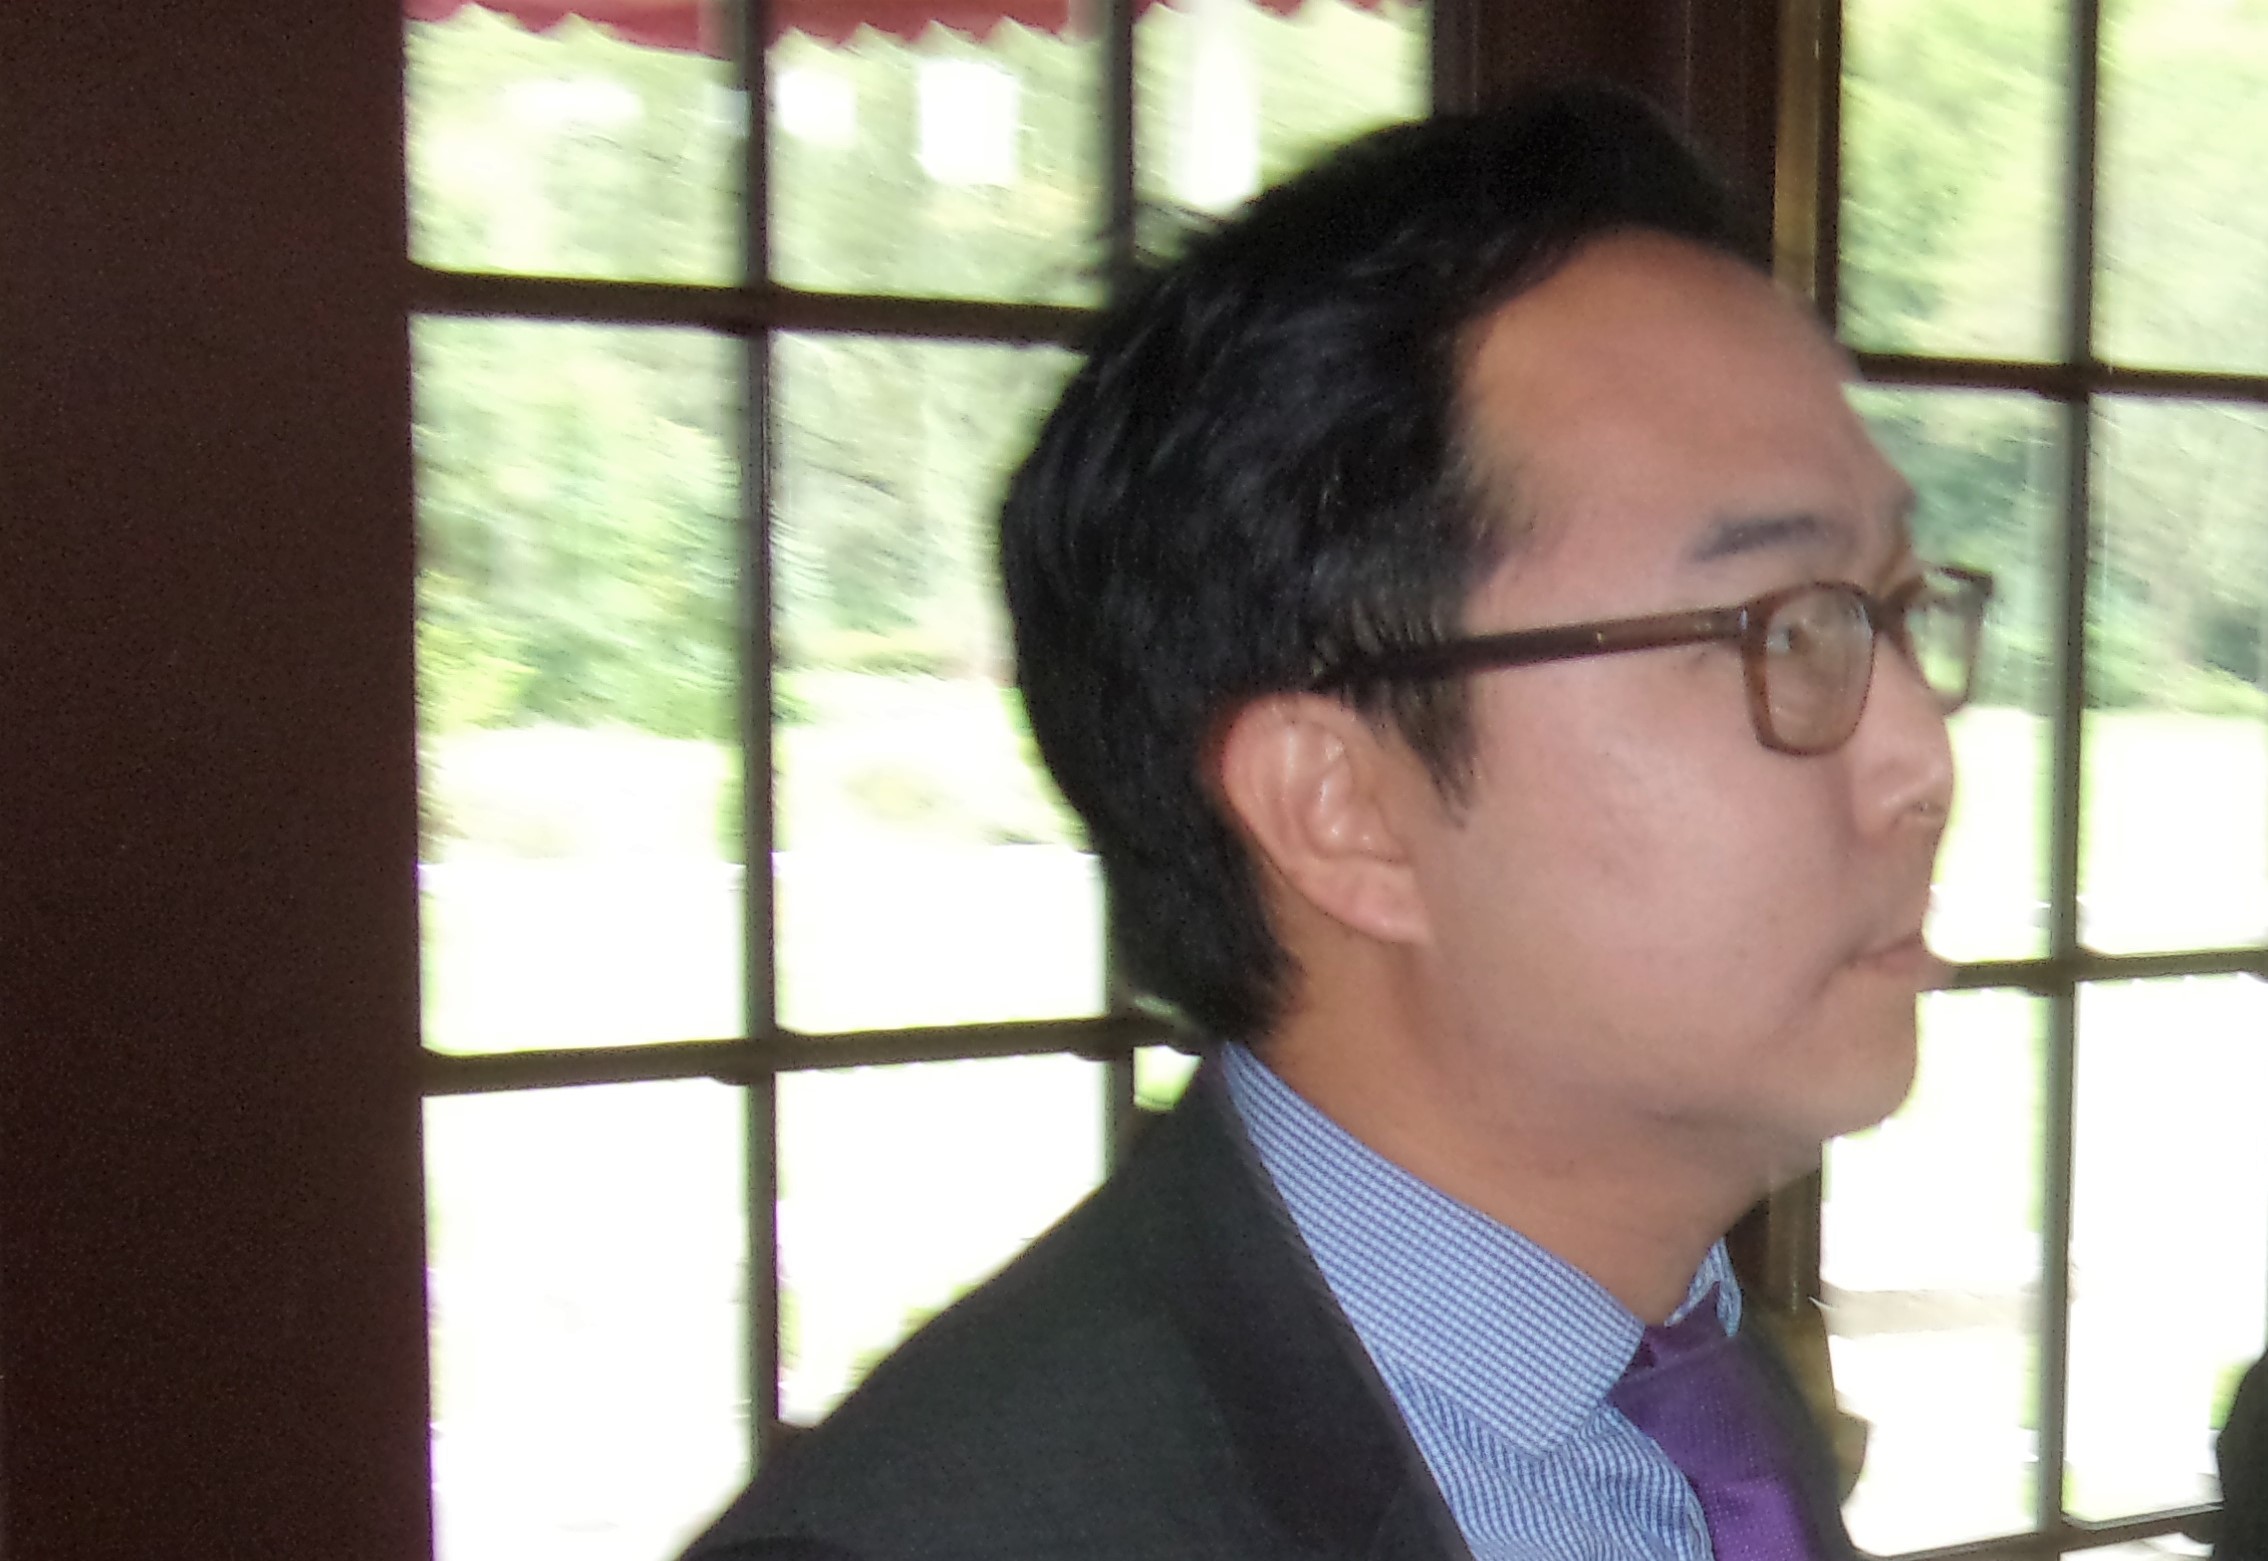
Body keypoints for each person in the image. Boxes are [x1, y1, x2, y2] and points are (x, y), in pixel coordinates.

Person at [684, 82, 1989, 1561]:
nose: (1922, 758)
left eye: (1893, 610)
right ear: (1343, 809)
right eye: (1783, 627)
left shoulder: (1683, 1385)